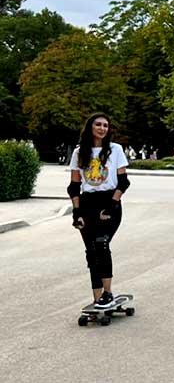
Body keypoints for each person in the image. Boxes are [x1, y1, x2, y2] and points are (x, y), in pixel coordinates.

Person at [67, 112, 131, 311]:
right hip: (87, 204)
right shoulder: (79, 153)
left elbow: (123, 182)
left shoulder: (115, 150)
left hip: (109, 201)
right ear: (90, 127)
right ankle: (97, 297)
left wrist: (112, 205)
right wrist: (76, 212)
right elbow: (74, 186)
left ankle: (108, 293)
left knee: (101, 244)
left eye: (106, 125)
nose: (102, 128)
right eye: (98, 125)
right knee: (91, 251)